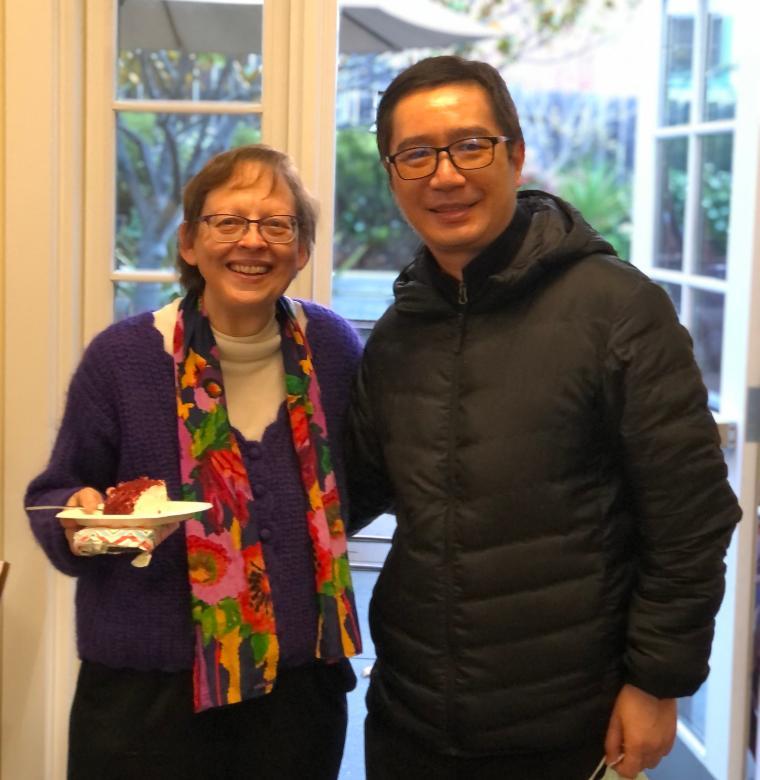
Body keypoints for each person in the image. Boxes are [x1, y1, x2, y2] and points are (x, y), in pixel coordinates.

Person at [346, 55, 741, 780]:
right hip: (407, 720)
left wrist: (657, 682)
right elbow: (347, 491)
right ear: (393, 174)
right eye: (416, 154)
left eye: (470, 144)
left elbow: (691, 519)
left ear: (516, 154)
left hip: (567, 726)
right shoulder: (399, 331)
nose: (445, 174)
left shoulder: (616, 308)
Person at [26, 144, 363, 780]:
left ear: (303, 250)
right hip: (147, 694)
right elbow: (54, 494)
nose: (252, 242)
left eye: (276, 224)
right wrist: (83, 516)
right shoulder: (123, 360)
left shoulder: (333, 349)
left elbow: (358, 483)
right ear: (188, 242)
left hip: (298, 688)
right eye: (228, 221)